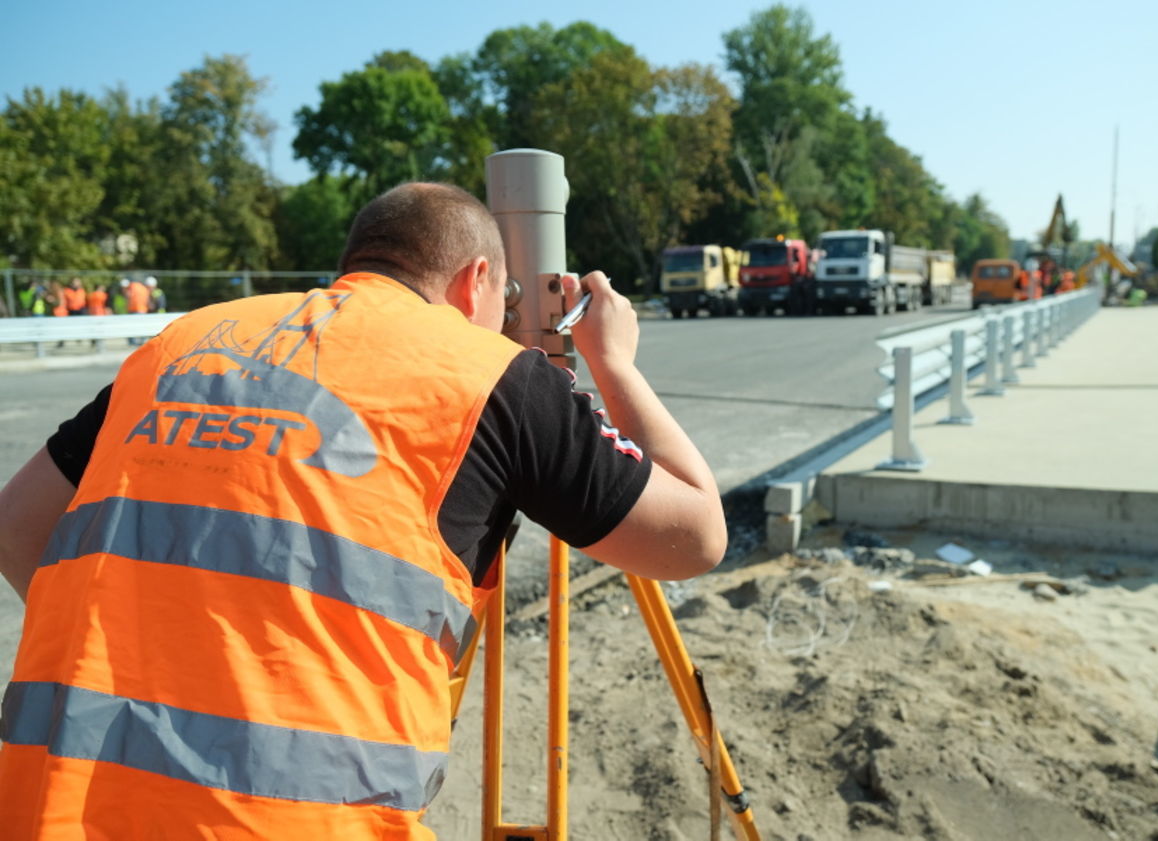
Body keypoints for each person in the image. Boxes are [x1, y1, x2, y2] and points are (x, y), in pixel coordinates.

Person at [0, 182, 725, 839]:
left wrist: (166, 644)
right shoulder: (494, 378)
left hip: (54, 802)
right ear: (477, 281)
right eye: (501, 302)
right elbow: (695, 537)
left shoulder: (186, 341)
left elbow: (18, 523)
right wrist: (614, 363)